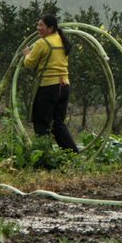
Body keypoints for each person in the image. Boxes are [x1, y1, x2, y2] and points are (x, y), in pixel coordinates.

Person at [22, 13, 79, 152]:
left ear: (50, 28)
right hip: (64, 86)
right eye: (38, 25)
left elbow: (29, 63)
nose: (38, 28)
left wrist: (26, 54)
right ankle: (72, 154)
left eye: (41, 25)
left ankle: (44, 155)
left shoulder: (42, 43)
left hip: (49, 87)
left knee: (41, 123)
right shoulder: (61, 39)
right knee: (58, 123)